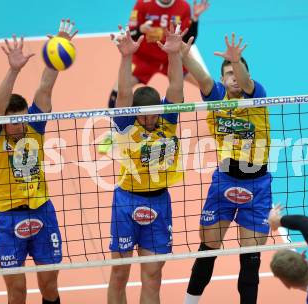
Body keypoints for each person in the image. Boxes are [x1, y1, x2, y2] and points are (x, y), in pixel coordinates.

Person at [0, 20, 78, 304]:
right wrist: (13, 69)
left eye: (23, 117)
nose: (20, 123)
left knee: (49, 286)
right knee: (17, 292)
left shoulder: (34, 127)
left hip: (42, 211)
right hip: (8, 219)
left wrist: (58, 47)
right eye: (14, 120)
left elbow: (45, 89)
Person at [107, 24, 193, 304]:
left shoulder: (167, 122)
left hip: (159, 202)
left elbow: (176, 88)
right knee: (120, 274)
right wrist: (125, 57)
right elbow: (121, 96)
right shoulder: (125, 124)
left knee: (153, 276)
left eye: (153, 115)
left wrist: (174, 55)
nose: (150, 120)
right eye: (144, 116)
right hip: (126, 202)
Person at [183, 33, 271, 304]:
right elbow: (203, 78)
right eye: (228, 73)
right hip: (223, 182)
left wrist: (235, 60)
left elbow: (245, 81)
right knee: (207, 249)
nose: (234, 77)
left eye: (237, 71)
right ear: (222, 80)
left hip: (256, 186)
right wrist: (182, 54)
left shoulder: (256, 94)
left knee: (250, 260)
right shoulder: (216, 96)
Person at [99, 0, 209, 154]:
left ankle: (222, 114)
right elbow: (131, 33)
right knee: (118, 89)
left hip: (169, 57)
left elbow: (188, 39)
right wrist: (140, 29)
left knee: (205, 83)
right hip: (144, 58)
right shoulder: (142, 4)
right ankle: (115, 132)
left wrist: (195, 18)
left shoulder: (183, 6)